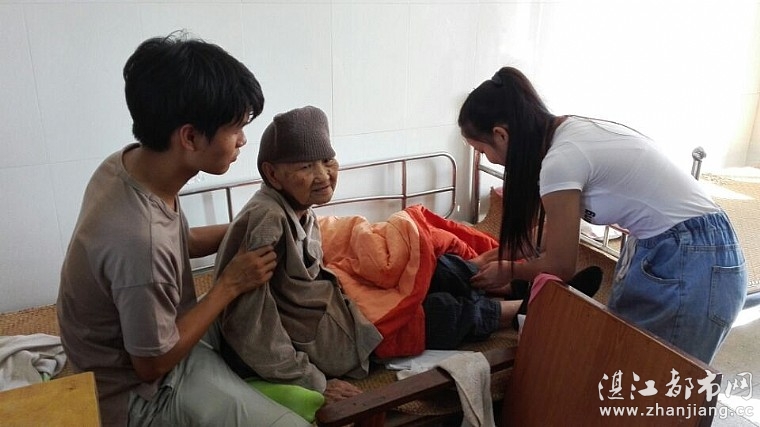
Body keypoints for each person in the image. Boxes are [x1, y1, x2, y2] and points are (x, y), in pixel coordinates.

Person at [57, 33, 310, 427]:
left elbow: (180, 242)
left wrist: (251, 225)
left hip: (150, 337)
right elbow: (151, 364)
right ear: (190, 137)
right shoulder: (139, 240)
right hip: (136, 392)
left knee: (274, 319)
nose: (243, 140)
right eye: (235, 128)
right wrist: (227, 285)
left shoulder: (126, 166)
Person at [458, 66, 747, 363]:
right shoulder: (566, 133)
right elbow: (553, 235)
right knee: (623, 366)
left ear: (501, 135)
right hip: (671, 248)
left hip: (691, 258)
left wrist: (509, 270)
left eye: (481, 150)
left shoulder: (560, 160)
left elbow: (560, 265)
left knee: (655, 377)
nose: (486, 158)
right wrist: (494, 257)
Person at [214, 106, 383, 405]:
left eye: (328, 161)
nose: (323, 176)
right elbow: (248, 323)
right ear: (272, 174)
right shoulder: (268, 221)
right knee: (431, 312)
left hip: (330, 321)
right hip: (308, 348)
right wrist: (312, 380)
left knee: (435, 276)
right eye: (305, 167)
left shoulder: (299, 207)